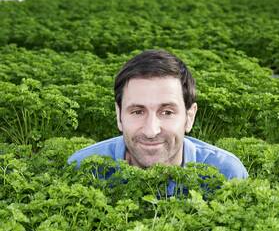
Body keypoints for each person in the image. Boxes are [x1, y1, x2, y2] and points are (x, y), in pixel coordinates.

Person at [68, 49, 248, 180]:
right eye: (137, 111)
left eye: (167, 112)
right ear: (119, 115)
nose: (151, 131)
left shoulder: (226, 173)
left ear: (189, 117)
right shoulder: (84, 167)